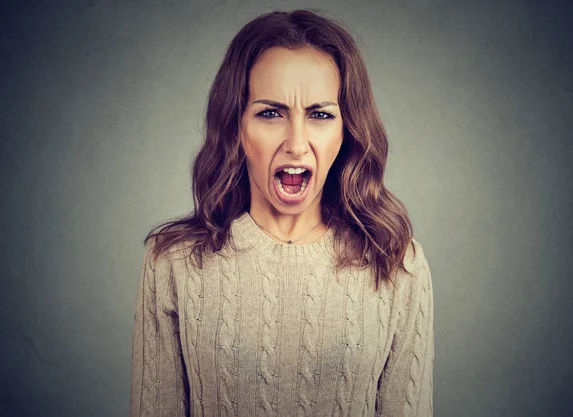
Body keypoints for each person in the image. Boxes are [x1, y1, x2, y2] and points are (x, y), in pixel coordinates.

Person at [129, 8, 434, 417]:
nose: (296, 142)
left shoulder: (397, 262)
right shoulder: (173, 261)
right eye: (270, 113)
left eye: (320, 115)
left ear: (347, 131)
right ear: (237, 126)